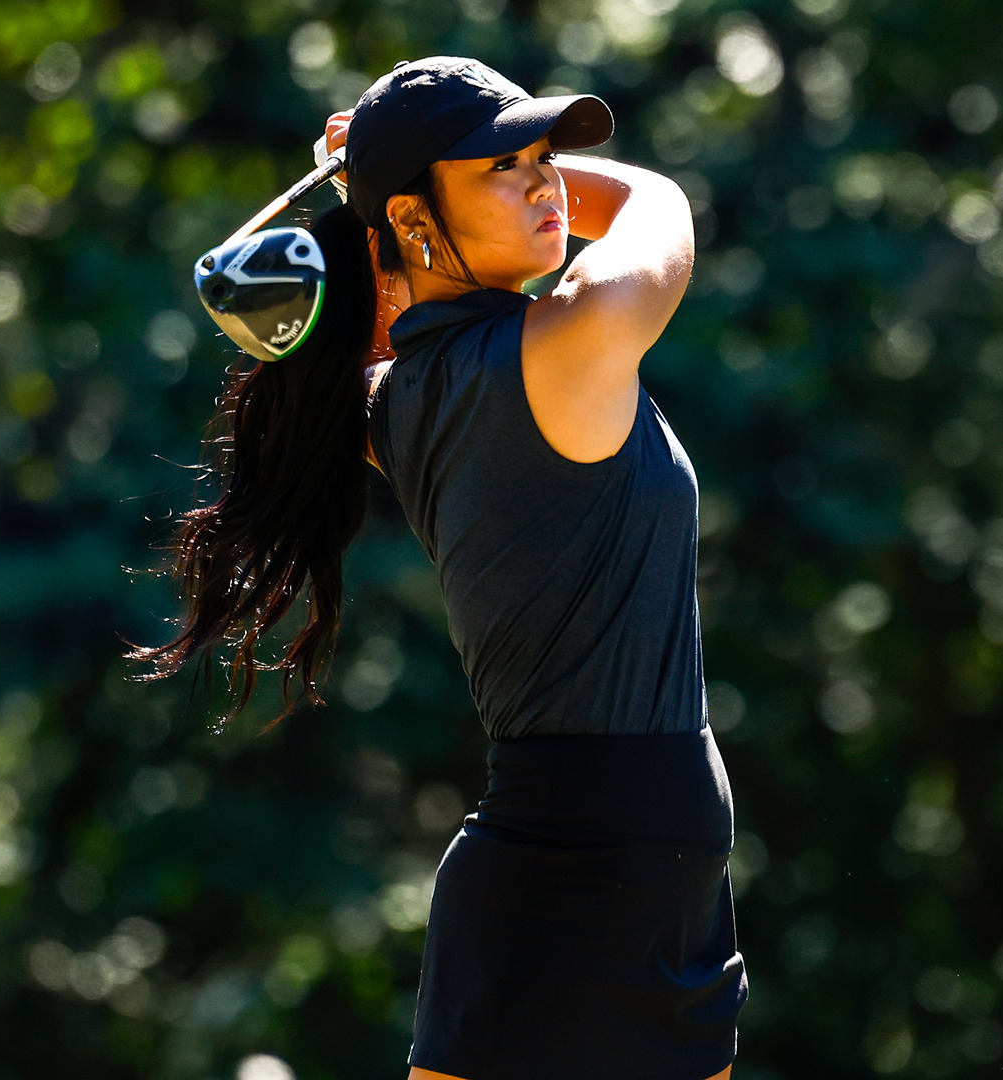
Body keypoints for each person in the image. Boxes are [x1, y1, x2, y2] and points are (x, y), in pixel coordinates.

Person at [128, 55, 744, 1080]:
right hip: (587, 847)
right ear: (414, 226)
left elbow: (363, 333)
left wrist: (383, 192)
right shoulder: (571, 341)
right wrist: (370, 185)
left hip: (648, 854)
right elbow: (657, 200)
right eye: (504, 166)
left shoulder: (393, 403)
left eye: (545, 157)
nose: (546, 183)